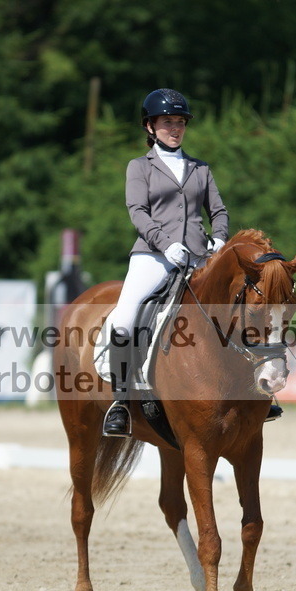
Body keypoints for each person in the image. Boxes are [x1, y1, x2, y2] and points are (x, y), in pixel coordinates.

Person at [103, 88, 229, 437]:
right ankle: (121, 402)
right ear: (150, 126)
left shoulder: (200, 168)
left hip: (198, 257)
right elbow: (137, 211)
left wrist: (219, 238)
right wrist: (165, 244)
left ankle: (252, 394)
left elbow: (218, 211)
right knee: (124, 320)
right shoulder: (139, 167)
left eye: (180, 122)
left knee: (233, 312)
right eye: (167, 122)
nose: (175, 128)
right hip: (153, 256)